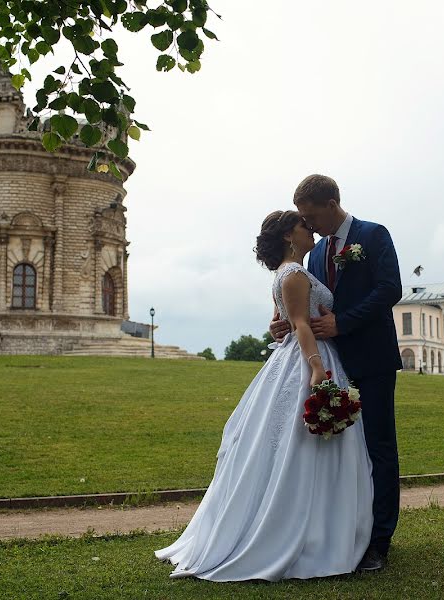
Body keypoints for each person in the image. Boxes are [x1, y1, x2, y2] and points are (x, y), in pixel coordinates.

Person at [155, 210, 373, 582]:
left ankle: (317, 530)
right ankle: (305, 534)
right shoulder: (293, 274)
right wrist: (317, 367)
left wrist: (280, 327)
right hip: (307, 358)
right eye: (305, 227)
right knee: (300, 443)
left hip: (300, 356)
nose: (312, 232)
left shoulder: (291, 273)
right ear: (291, 235)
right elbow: (301, 324)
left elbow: (283, 320)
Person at [271, 174, 403, 572]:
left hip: (373, 357)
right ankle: (342, 531)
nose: (309, 226)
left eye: (312, 216)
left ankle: (379, 541)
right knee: (339, 453)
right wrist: (283, 324)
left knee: (379, 447)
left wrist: (343, 323)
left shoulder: (374, 235)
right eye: (303, 220)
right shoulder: (314, 254)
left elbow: (389, 290)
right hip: (332, 363)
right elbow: (304, 307)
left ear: (332, 204)